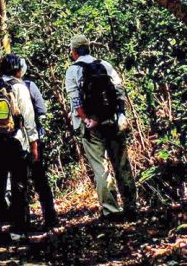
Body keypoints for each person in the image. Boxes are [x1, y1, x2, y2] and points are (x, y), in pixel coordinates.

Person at [65, 34, 138, 221]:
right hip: (112, 121)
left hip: (90, 126)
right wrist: (120, 114)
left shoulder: (73, 71)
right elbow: (120, 90)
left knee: (101, 167)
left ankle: (111, 210)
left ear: (73, 52)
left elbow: (75, 99)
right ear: (89, 48)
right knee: (122, 164)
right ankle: (131, 207)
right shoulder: (105, 65)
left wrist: (86, 119)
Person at [0, 53, 38, 244]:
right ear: (18, 69)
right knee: (19, 185)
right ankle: (17, 229)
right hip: (15, 142)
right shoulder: (20, 87)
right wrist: (34, 144)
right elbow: (28, 118)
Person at [15, 60, 59, 229]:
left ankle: (22, 221)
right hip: (32, 139)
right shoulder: (29, 86)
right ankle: (50, 218)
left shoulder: (1, 86)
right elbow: (41, 110)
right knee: (40, 179)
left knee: (19, 181)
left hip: (13, 141)